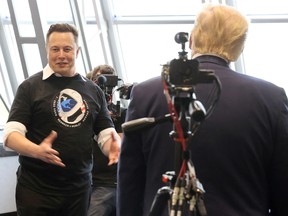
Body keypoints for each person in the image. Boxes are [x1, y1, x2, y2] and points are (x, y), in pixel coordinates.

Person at [117, 4, 288, 216]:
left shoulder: (145, 94)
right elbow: (283, 186)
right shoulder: (270, 98)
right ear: (239, 48)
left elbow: (129, 183)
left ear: (191, 40)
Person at [3, 23, 121, 216]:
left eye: (67, 49)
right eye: (55, 49)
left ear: (77, 51)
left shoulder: (93, 91)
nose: (61, 55)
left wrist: (113, 148)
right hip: (36, 191)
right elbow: (10, 135)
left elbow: (106, 135)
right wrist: (36, 151)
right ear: (47, 51)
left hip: (79, 191)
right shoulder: (30, 87)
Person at [86, 64, 124, 216]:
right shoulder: (85, 110)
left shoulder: (120, 113)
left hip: (109, 182)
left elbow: (119, 149)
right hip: (89, 180)